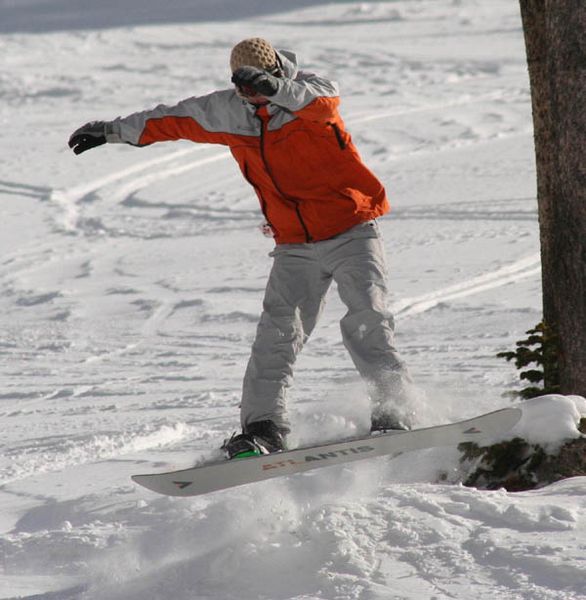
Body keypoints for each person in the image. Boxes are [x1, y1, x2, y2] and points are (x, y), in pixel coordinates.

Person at [69, 37, 414, 459]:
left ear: (274, 72)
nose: (247, 93)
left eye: (255, 83)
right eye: (241, 85)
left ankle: (394, 413)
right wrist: (110, 131)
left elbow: (320, 104)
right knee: (276, 335)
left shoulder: (310, 90)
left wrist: (274, 89)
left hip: (351, 230)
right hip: (293, 245)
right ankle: (263, 429)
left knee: (367, 319)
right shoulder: (232, 110)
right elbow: (173, 118)